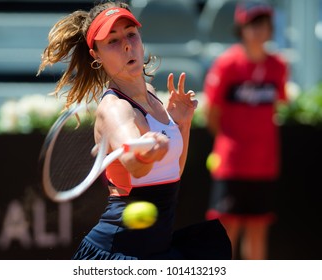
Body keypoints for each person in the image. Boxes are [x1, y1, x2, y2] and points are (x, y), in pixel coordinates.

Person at [38, 0, 231, 260]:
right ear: (96, 55)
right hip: (118, 252)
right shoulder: (115, 109)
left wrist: (182, 123)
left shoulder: (151, 95)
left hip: (156, 249)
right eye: (113, 41)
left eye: (131, 34)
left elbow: (173, 172)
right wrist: (145, 151)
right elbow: (135, 164)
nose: (127, 45)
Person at [203, 0, 289, 260]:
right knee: (227, 232)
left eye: (263, 23)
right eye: (253, 23)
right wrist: (230, 144)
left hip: (264, 163)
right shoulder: (226, 64)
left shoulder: (279, 66)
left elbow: (275, 107)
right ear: (241, 28)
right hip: (231, 163)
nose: (259, 29)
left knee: (258, 232)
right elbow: (211, 113)